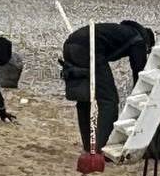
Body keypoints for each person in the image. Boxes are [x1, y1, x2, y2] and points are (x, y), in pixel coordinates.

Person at [60, 20, 154, 154]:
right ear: (148, 43)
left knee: (84, 98)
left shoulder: (122, 31)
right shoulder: (138, 39)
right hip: (88, 49)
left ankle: (89, 147)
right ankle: (101, 148)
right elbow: (139, 74)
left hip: (70, 44)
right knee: (109, 101)